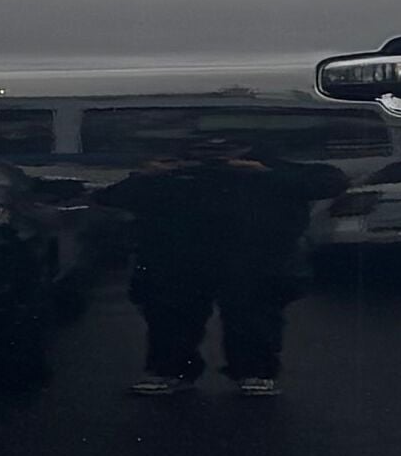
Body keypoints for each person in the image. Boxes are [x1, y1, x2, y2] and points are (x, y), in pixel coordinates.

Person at [110, 130, 340, 396]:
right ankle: (169, 372)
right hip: (177, 259)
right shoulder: (168, 173)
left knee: (254, 318)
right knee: (171, 318)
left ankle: (255, 372)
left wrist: (266, 174)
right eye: (203, 148)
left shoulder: (270, 170)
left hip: (253, 258)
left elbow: (328, 183)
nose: (216, 156)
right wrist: (147, 177)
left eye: (227, 148)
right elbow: (111, 197)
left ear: (248, 147)